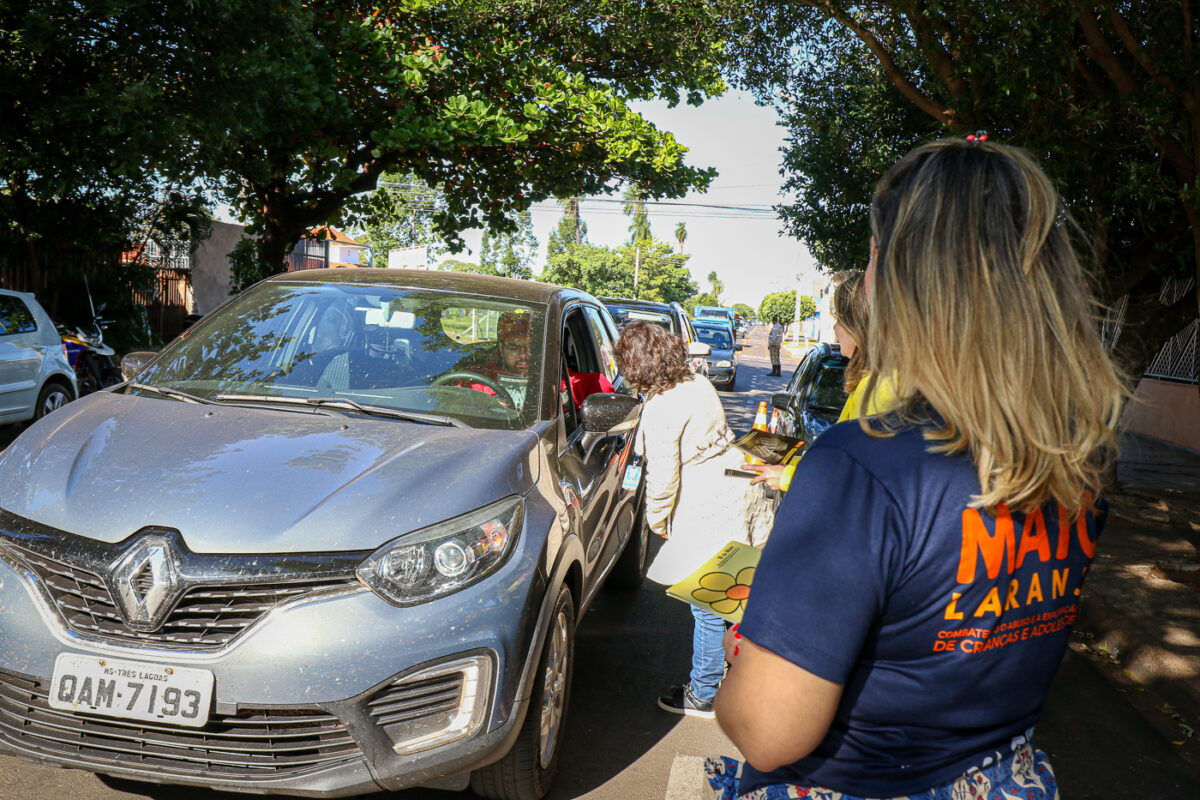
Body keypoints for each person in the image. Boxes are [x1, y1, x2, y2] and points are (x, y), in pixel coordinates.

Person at [708, 138, 1126, 799]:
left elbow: (766, 729)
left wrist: (743, 657)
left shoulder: (857, 467)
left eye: (873, 253)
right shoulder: (1080, 454)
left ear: (894, 271)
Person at [613, 321, 774, 719]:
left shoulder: (661, 407)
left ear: (635, 365)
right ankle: (746, 681)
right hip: (739, 485)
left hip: (709, 503)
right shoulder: (697, 383)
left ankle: (704, 693)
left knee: (707, 606)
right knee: (735, 597)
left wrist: (657, 521)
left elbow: (663, 477)